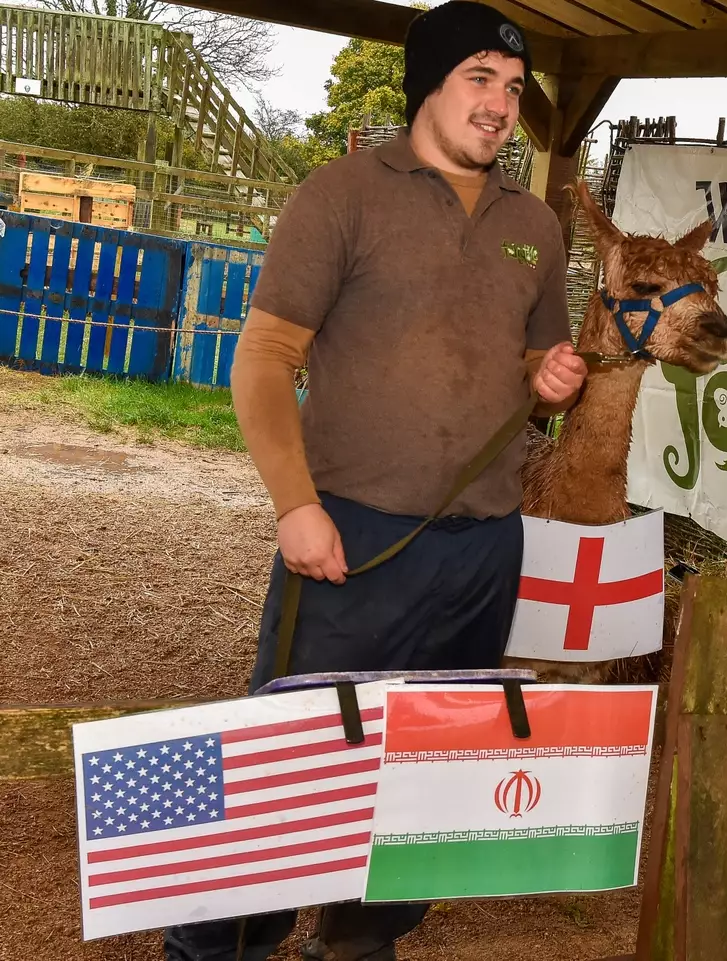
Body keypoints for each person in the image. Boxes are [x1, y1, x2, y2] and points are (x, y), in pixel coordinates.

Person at [161, 4, 587, 959]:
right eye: (480, 78)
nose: (500, 106)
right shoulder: (343, 192)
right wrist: (296, 504)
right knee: (292, 767)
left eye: (515, 90)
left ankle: (358, 943)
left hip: (484, 544)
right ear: (428, 84)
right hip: (351, 536)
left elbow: (536, 364)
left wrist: (550, 378)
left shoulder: (533, 226)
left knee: (429, 770)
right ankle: (217, 945)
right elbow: (264, 354)